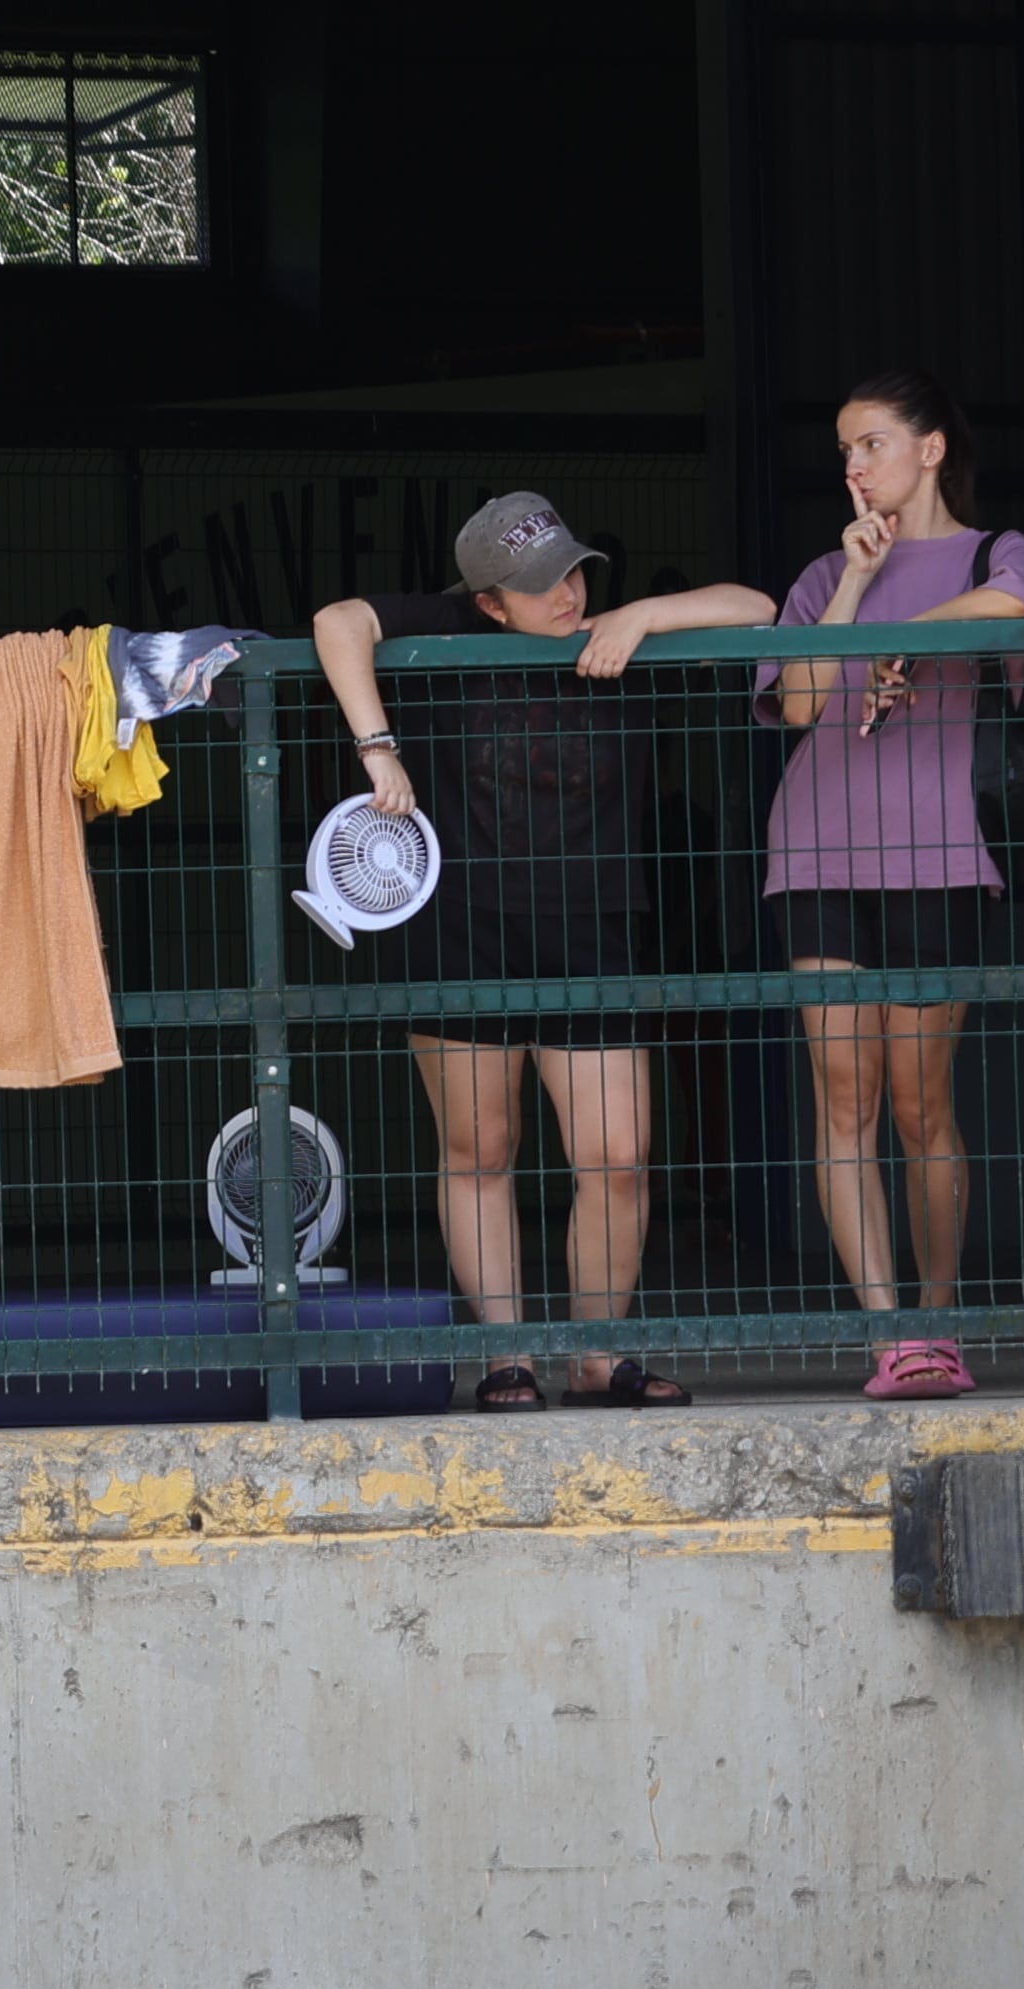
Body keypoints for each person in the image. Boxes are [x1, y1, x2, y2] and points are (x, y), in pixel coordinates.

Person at [313, 493, 772, 1412]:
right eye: (539, 584)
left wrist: (638, 614)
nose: (566, 592)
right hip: (461, 932)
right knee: (480, 1147)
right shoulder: (445, 625)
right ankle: (506, 1355)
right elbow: (336, 621)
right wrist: (379, 751)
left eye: (572, 569)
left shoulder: (609, 632)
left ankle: (598, 1356)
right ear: (489, 603)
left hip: (592, 928)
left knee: (618, 1154)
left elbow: (756, 607)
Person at [753, 370, 1024, 1399]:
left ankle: (939, 1315)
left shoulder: (992, 553)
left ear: (928, 450)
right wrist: (851, 589)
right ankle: (889, 1338)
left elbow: (1015, 606)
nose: (853, 466)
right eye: (843, 451)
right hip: (819, 855)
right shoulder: (816, 577)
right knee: (848, 1101)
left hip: (940, 856)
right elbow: (795, 706)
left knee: (924, 1106)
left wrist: (910, 648)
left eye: (871, 444)